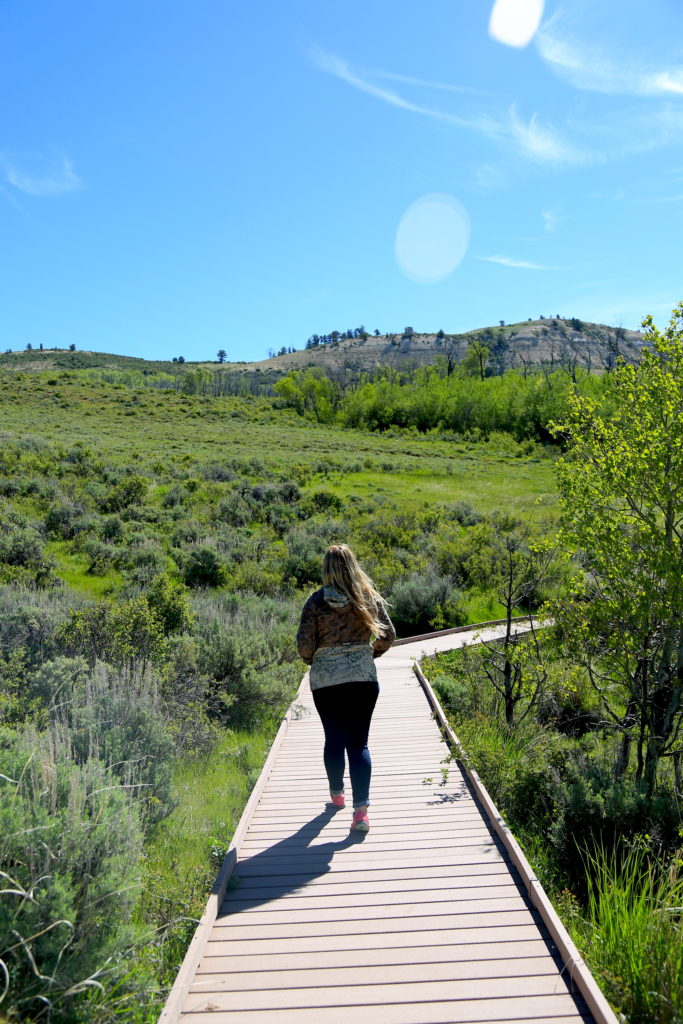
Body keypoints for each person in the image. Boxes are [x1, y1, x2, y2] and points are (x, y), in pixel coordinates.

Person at [296, 544, 396, 832]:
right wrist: (367, 654)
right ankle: (361, 813)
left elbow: (304, 644)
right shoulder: (366, 598)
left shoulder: (315, 602)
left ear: (326, 569)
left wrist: (312, 660)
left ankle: (336, 795)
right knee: (359, 743)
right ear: (352, 566)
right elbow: (387, 636)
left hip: (326, 681)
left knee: (334, 739)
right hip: (363, 679)